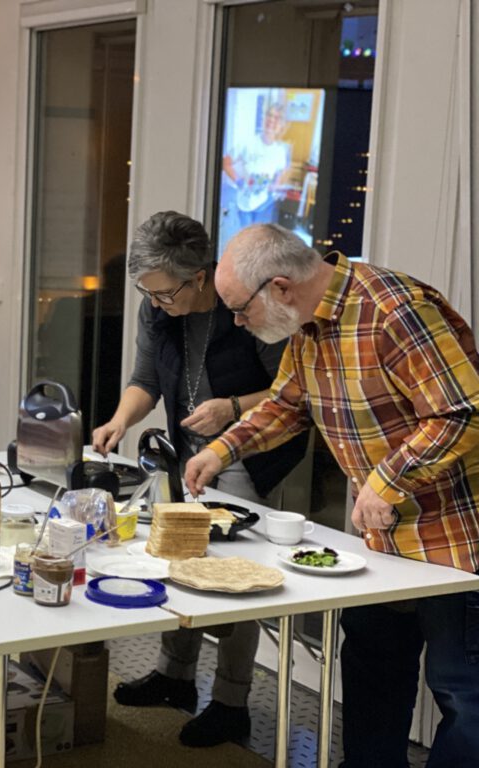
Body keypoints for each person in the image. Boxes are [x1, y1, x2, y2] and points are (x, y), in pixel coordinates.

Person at [185, 223, 479, 767]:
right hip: (383, 536)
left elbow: (462, 412)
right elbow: (287, 405)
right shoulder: (307, 326)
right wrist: (221, 451)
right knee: (372, 667)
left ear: (279, 287)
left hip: (454, 537)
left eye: (239, 310)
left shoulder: (395, 311)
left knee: (462, 689)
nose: (237, 322)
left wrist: (386, 481)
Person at [93, 211, 307, 747]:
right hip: (186, 447)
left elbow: (294, 392)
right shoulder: (158, 308)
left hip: (251, 449)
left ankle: (232, 702)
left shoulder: (247, 307)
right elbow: (145, 379)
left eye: (166, 293)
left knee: (235, 572)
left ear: (199, 276)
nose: (158, 303)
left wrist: (231, 407)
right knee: (177, 553)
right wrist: (121, 420)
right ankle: (175, 676)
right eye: (150, 293)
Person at [222, 95, 291, 228]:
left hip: (265, 203)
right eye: (269, 115)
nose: (271, 120)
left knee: (262, 240)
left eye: (277, 118)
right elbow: (226, 163)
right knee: (248, 240)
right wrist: (239, 181)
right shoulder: (247, 143)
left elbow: (282, 172)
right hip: (244, 203)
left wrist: (275, 185)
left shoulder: (280, 151)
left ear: (282, 126)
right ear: (264, 118)